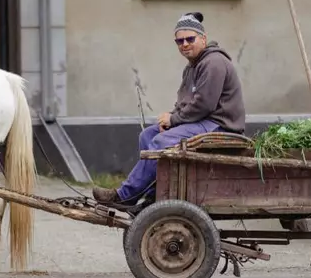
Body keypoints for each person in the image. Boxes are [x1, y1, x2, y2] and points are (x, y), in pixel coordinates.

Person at [92, 12, 246, 205]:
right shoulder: (192, 67)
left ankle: (125, 196)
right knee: (147, 136)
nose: (185, 44)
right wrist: (172, 116)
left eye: (190, 39)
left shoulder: (213, 63)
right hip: (202, 121)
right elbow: (185, 102)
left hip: (220, 125)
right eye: (179, 41)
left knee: (160, 141)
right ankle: (154, 195)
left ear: (203, 38)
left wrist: (174, 120)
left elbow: (204, 105)